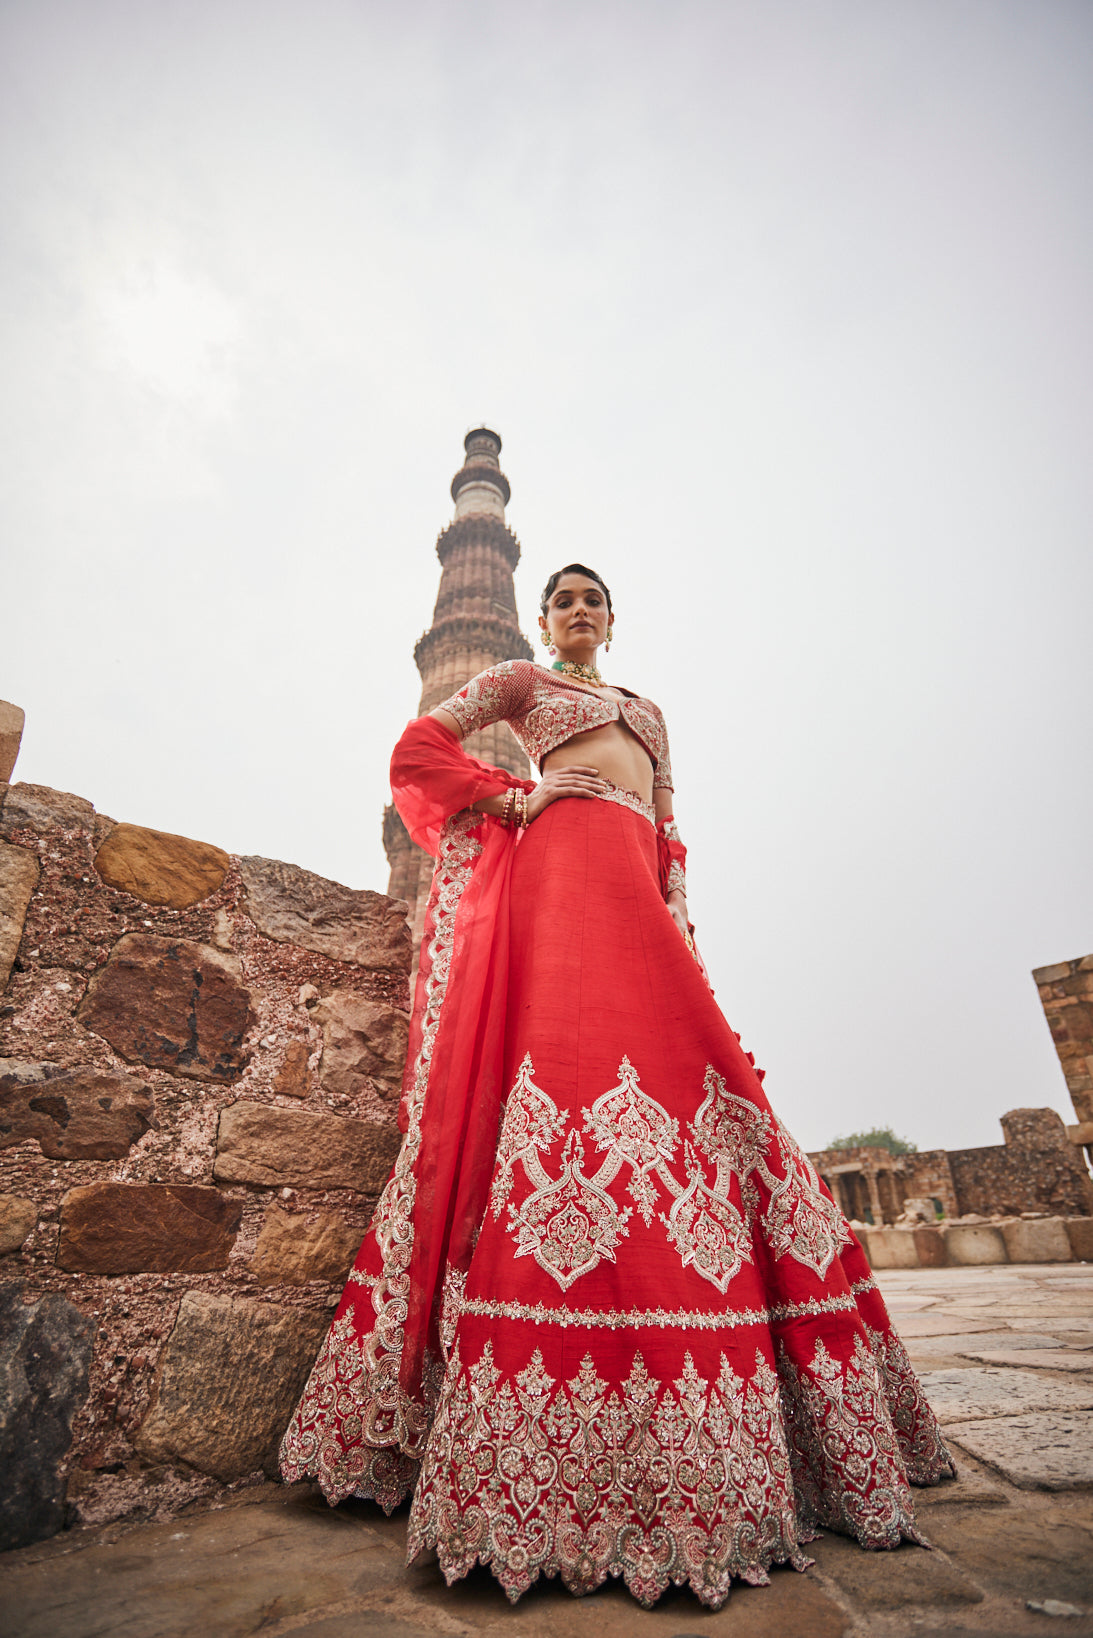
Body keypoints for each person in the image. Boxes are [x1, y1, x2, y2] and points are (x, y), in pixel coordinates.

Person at [280, 564, 953, 1610]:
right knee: (567, 1068)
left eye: (593, 599)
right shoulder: (518, 681)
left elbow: (671, 832)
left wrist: (677, 918)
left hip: (638, 887)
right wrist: (517, 796)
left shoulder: (648, 712)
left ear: (611, 618)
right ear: (543, 619)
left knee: (703, 1081)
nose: (579, 610)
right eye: (563, 600)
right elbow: (417, 751)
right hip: (560, 874)